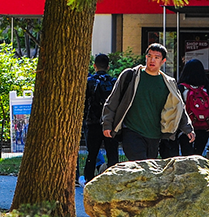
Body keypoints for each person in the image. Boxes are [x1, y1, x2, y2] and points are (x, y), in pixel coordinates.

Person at [101, 43, 195, 161]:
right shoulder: (131, 76)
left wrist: (187, 128)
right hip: (131, 131)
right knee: (140, 165)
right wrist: (107, 124)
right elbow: (112, 101)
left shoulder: (169, 83)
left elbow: (178, 107)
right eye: (150, 56)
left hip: (154, 135)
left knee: (147, 171)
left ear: (163, 61)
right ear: (146, 57)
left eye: (157, 57)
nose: (152, 60)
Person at [83, 54, 120, 182]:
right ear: (108, 66)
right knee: (112, 153)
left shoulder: (90, 82)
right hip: (110, 123)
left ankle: (89, 179)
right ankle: (114, 179)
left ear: (94, 66)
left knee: (92, 154)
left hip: (93, 122)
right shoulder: (114, 82)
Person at [169, 59, 209, 157]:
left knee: (186, 156)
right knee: (198, 156)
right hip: (203, 128)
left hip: (185, 129)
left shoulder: (181, 89)